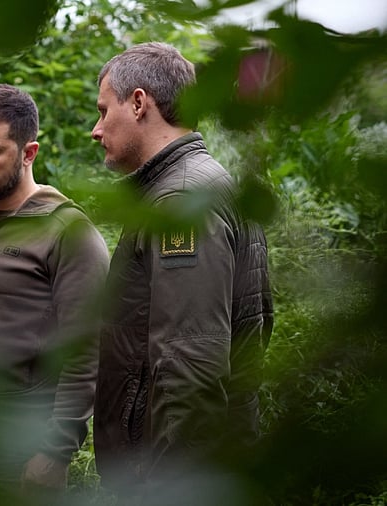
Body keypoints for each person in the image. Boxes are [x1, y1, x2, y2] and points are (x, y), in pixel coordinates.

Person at [90, 42, 273, 504]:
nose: (96, 129)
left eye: (103, 110)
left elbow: (190, 366)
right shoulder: (190, 187)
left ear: (138, 103)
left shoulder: (181, 201)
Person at [0, 84, 110, 503]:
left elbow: (87, 350)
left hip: (20, 449)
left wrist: (55, 452)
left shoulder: (67, 232)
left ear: (28, 153)